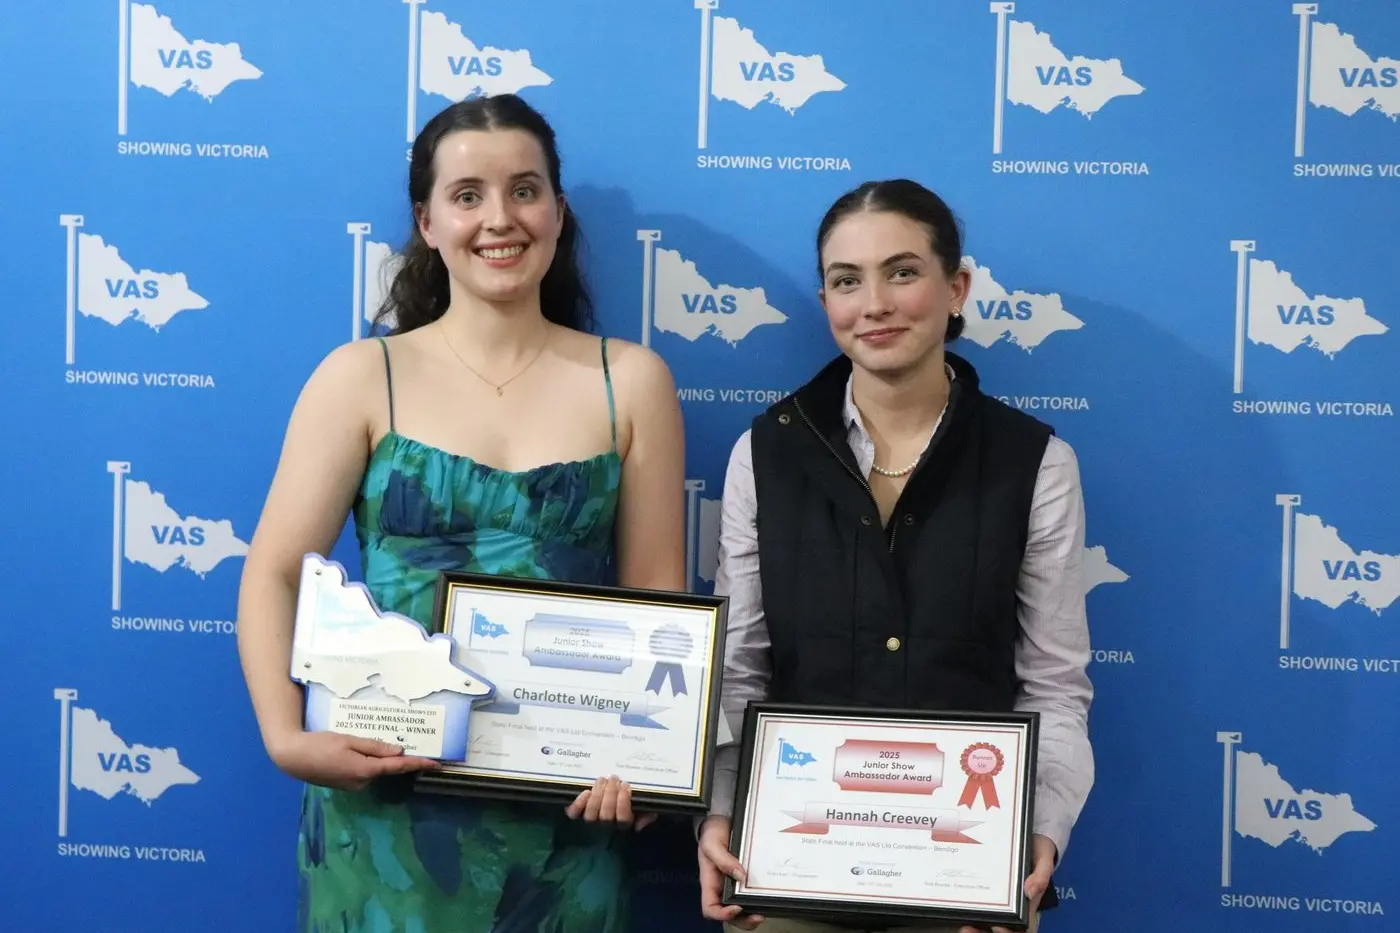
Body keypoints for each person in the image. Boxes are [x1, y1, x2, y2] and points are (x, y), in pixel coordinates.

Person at [235, 94, 686, 933]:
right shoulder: (361, 376)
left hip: (567, 825)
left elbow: (658, 606)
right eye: (467, 194)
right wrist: (283, 735)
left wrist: (652, 765)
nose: (500, 218)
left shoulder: (633, 381)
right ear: (428, 221)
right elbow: (272, 571)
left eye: (525, 189)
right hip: (384, 817)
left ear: (557, 212)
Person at [695, 179, 1094, 933]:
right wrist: (720, 813)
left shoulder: (1035, 461)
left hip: (968, 874)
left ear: (957, 287)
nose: (873, 303)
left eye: (902, 272)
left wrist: (1037, 834)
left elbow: (1053, 683)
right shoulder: (766, 452)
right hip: (785, 865)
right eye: (847, 280)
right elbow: (739, 664)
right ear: (826, 303)